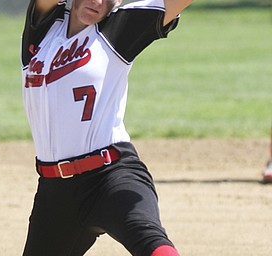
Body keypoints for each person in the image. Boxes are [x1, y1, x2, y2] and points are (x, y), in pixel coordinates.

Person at [20, 0, 192, 255]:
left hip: (110, 176)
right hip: (54, 192)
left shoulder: (119, 27)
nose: (98, 1)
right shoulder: (44, 26)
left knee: (148, 238)